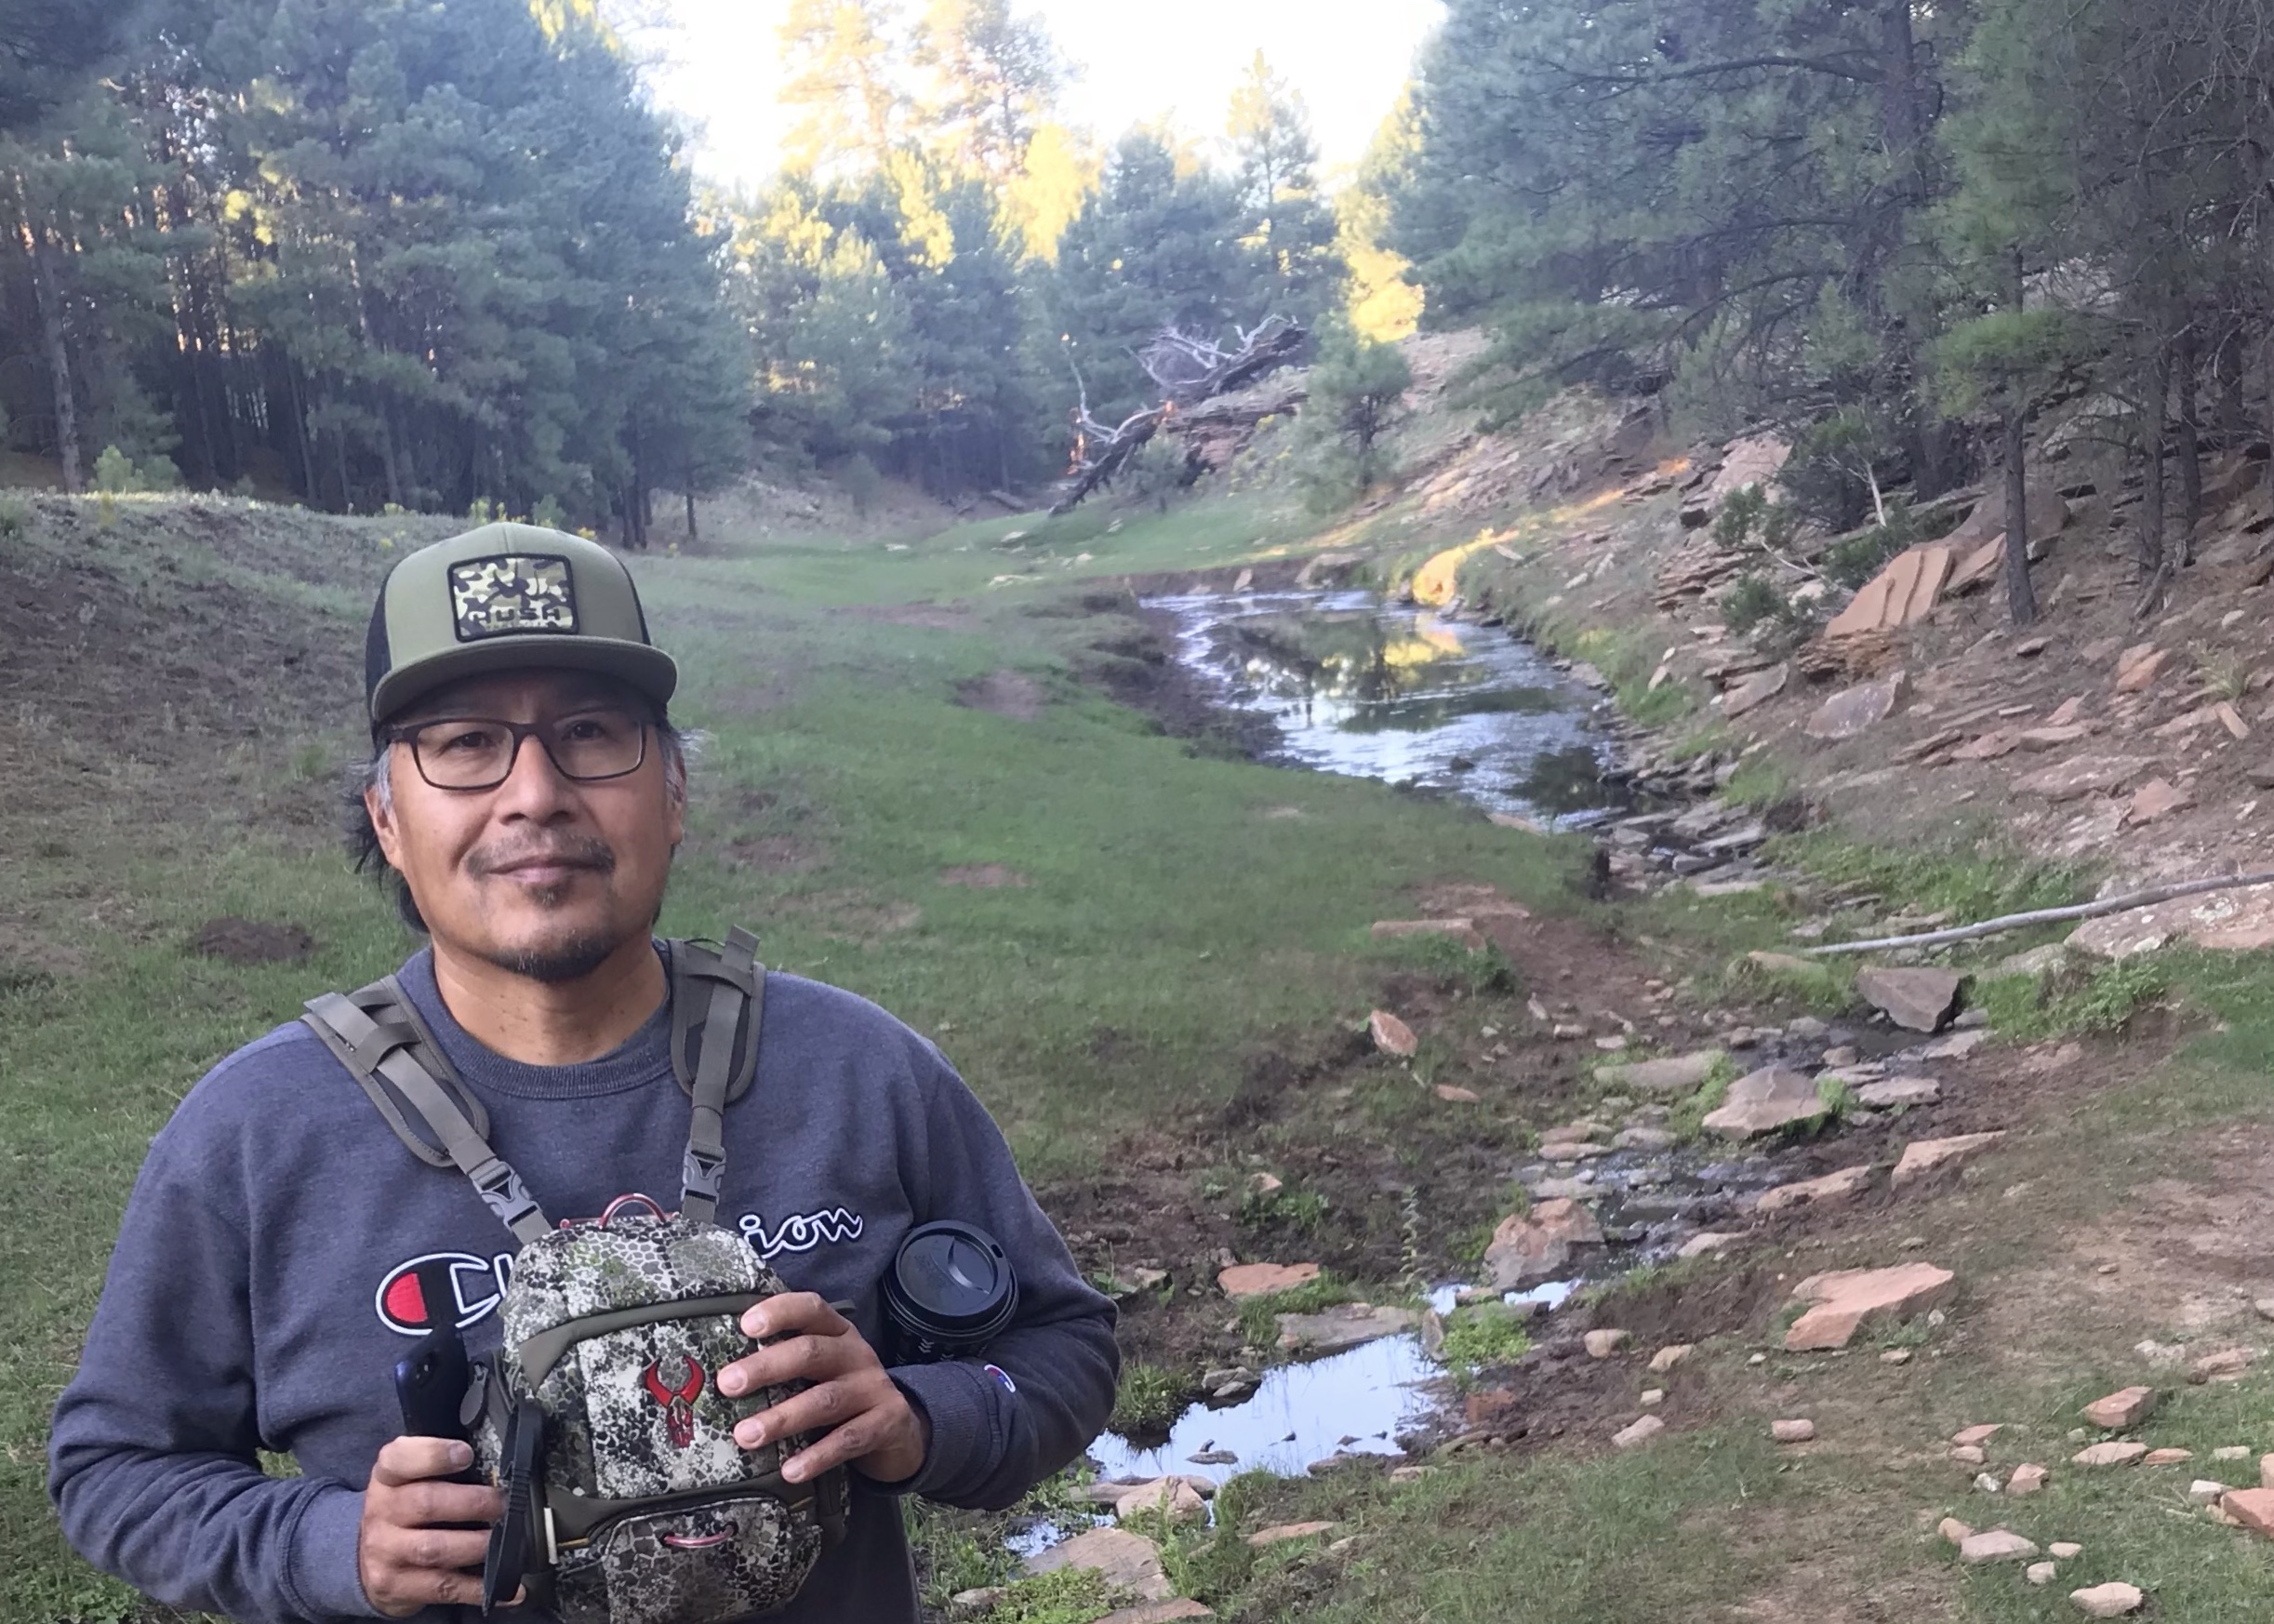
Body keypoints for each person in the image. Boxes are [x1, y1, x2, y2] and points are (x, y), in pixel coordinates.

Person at [49, 523, 1119, 1622]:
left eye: (591, 731)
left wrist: (916, 1419)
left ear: (674, 791)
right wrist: (329, 1545)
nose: (535, 794)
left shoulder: (858, 1072)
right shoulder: (258, 1132)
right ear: (388, 816)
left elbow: (1066, 1345)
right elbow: (114, 1468)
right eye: (466, 743)